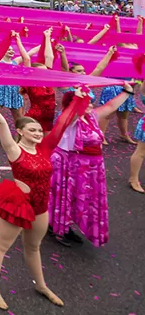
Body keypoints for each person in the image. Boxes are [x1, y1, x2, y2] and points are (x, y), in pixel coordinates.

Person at [0, 88, 64, 310]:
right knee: (1, 246)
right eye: (32, 129)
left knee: (33, 248)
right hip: (19, 205)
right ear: (20, 131)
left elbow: (62, 124)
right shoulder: (14, 150)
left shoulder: (43, 150)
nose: (38, 132)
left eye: (39, 130)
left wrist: (78, 101)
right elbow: (1, 123)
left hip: (41, 207)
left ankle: (41, 285)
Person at [49, 81, 133, 247]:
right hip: (71, 165)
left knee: (80, 200)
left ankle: (66, 227)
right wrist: (77, 101)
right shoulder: (69, 119)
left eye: (89, 101)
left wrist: (127, 92)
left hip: (90, 168)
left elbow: (110, 106)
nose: (90, 104)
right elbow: (70, 116)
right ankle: (57, 228)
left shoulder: (91, 117)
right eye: (86, 102)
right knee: (66, 198)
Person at [22, 29, 56, 132]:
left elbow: (50, 57)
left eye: (46, 71)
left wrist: (47, 37)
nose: (45, 73)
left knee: (45, 146)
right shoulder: (30, 83)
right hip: (34, 119)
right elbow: (27, 59)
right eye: (42, 71)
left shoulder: (48, 82)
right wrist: (18, 40)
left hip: (49, 120)